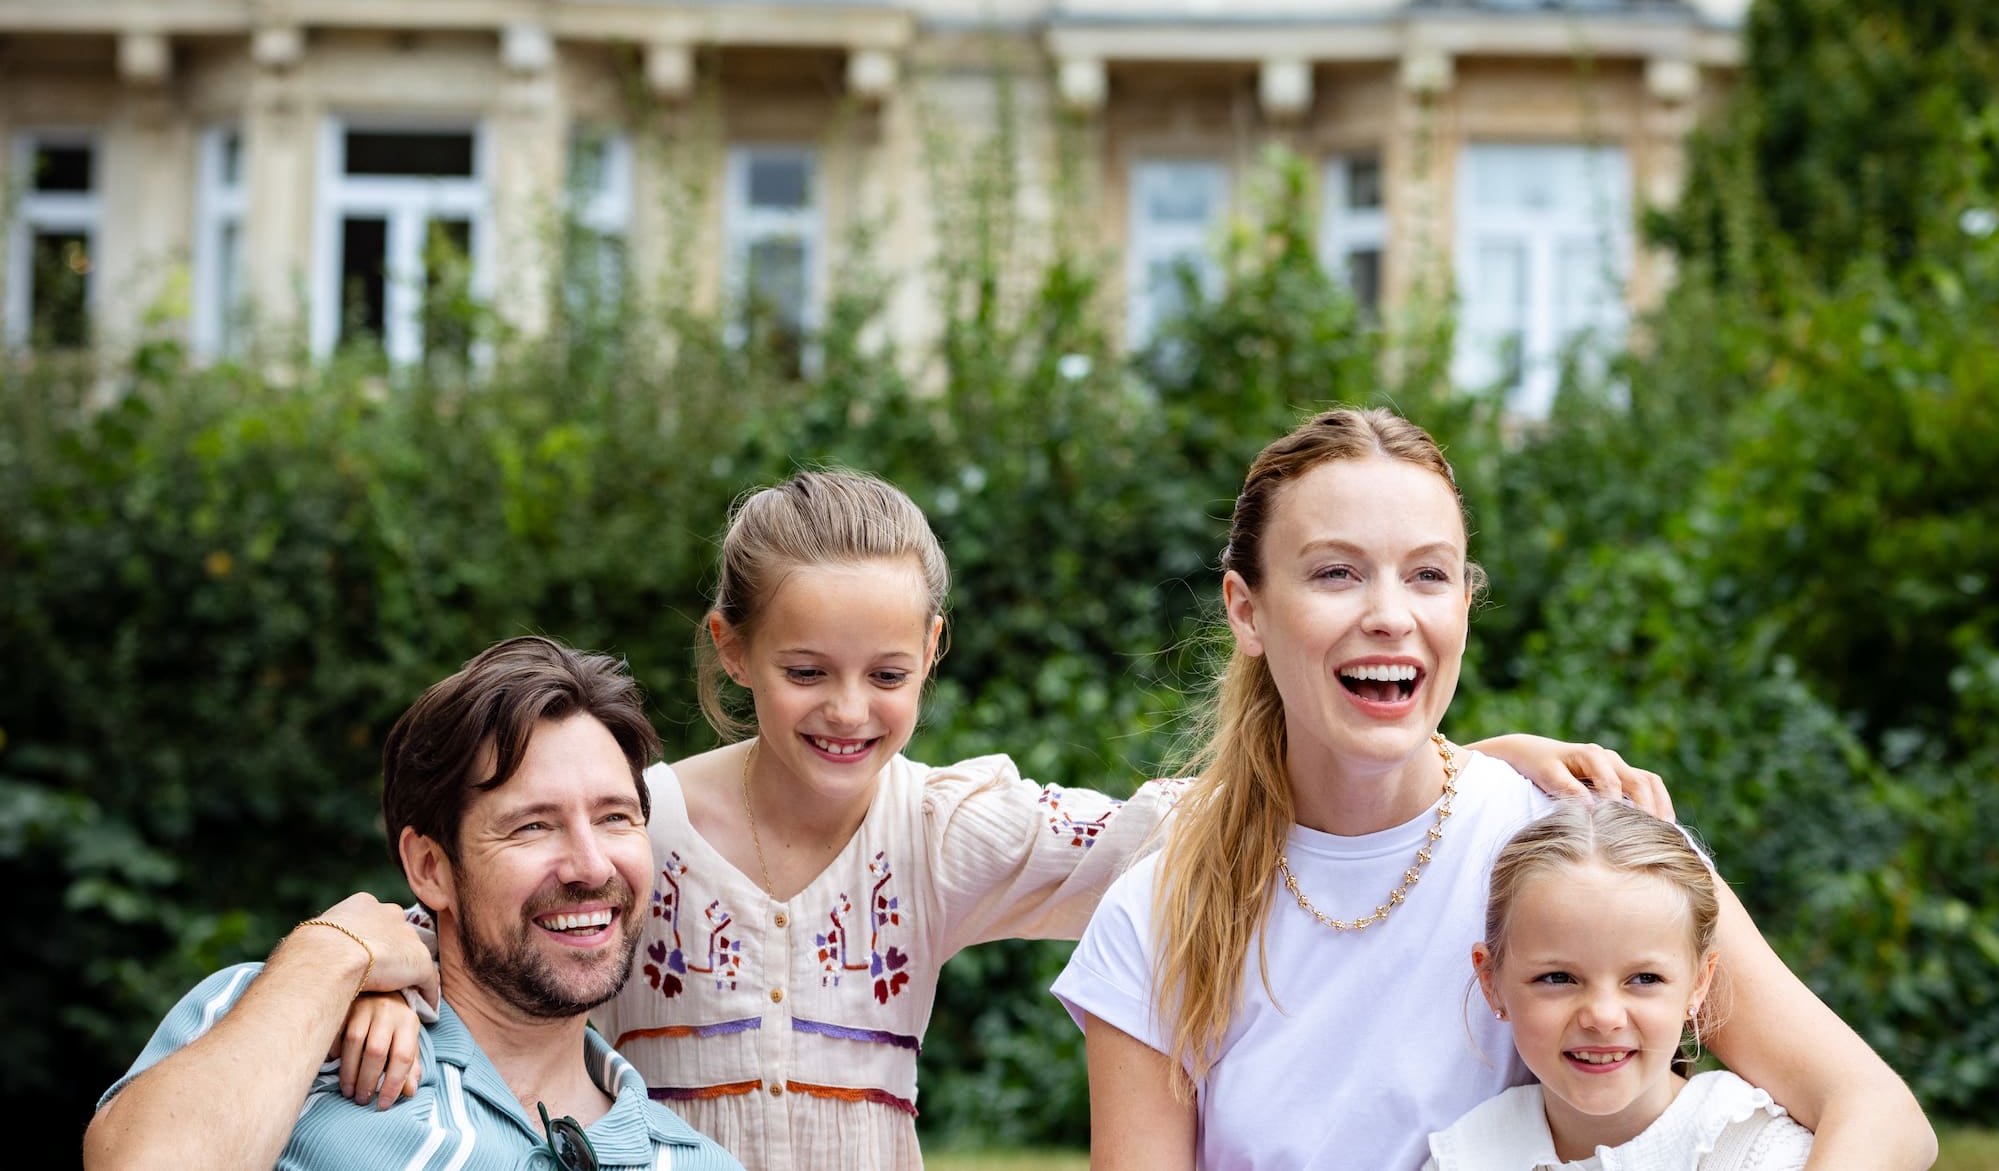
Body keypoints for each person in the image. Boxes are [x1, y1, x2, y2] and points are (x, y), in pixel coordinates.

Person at [345, 471, 1674, 1171]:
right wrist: (376, 977)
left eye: (885, 672)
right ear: (730, 648)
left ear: (930, 650)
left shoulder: (943, 831)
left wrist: (1444, 763)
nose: (847, 709)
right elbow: (489, 923)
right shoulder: (631, 824)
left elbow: (1182, 824)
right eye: (805, 669)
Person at [1053, 406, 1936, 1171]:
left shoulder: (1575, 835)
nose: (1390, 613)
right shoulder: (1158, 916)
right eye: (1335, 571)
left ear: (1466, 609)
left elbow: (1879, 1116)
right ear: (1246, 610)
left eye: (1428, 573)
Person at [81, 636, 741, 1171]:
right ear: (430, 867)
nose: (591, 865)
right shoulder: (291, 1027)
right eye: (532, 825)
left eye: (615, 817)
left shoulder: (690, 1161)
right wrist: (331, 949)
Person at [1422, 801, 1813, 1171]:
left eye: (1645, 979)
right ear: (1492, 982)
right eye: (1558, 978)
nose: (1603, 1017)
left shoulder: (1753, 1150)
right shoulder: (1464, 1157)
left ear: (1699, 983)